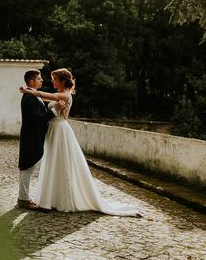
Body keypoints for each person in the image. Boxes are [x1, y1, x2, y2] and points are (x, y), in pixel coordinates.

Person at [20, 68, 140, 216]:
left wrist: (29, 90)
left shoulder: (64, 95)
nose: (52, 81)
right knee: (53, 163)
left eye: (55, 79)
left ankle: (61, 198)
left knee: (61, 163)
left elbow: (43, 95)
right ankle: (51, 197)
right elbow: (45, 98)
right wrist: (31, 92)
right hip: (54, 131)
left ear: (63, 81)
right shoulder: (58, 95)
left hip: (59, 130)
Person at [17, 69, 57, 210]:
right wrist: (53, 112)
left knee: (28, 167)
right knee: (27, 168)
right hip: (31, 136)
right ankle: (23, 199)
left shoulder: (32, 95)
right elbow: (37, 119)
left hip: (32, 136)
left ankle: (24, 197)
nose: (42, 80)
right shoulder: (30, 98)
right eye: (39, 78)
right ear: (32, 81)